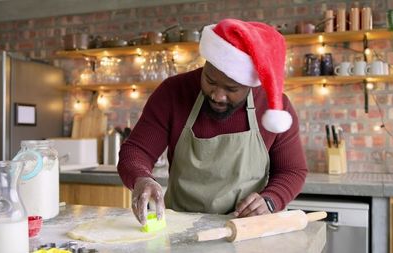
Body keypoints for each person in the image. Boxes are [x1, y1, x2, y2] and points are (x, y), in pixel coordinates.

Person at [118, 18, 308, 225]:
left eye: (231, 89)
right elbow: (136, 151)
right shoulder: (173, 92)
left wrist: (270, 201)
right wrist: (141, 178)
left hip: (246, 228)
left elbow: (292, 170)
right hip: (181, 226)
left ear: (249, 85)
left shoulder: (273, 107)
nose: (217, 95)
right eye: (209, 80)